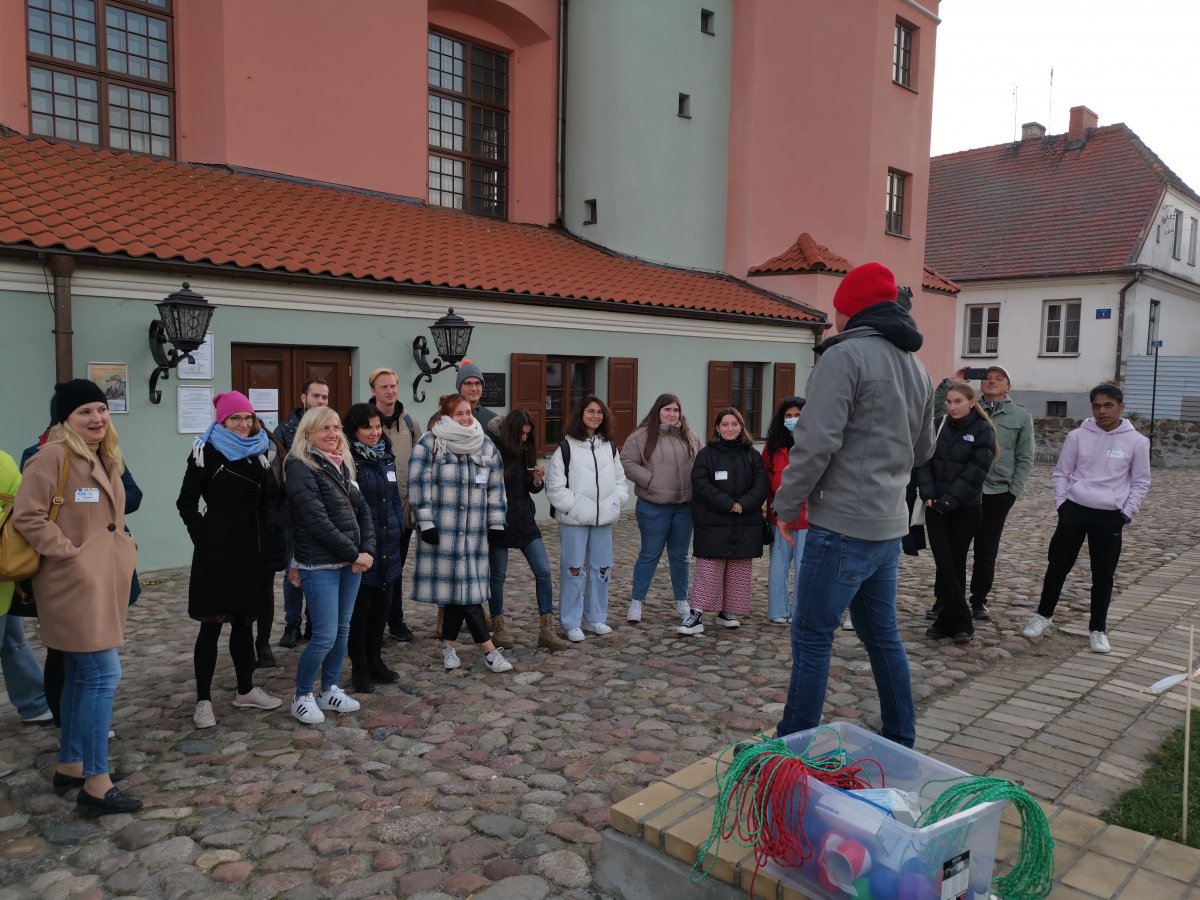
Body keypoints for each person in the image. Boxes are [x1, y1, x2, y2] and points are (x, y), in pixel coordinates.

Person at [772, 262, 935, 748]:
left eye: (837, 310)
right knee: (882, 635)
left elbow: (814, 444)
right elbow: (924, 450)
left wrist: (786, 506)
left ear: (850, 310)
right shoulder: (918, 367)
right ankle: (901, 737)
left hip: (842, 524)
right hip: (888, 523)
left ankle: (792, 744)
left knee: (812, 634)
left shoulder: (843, 358)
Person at [14, 379, 141, 814]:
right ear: (65, 418)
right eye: (85, 411)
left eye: (101, 409)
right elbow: (28, 515)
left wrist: (124, 546)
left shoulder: (106, 454)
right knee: (103, 675)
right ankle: (97, 782)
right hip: (70, 582)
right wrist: (72, 555)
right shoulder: (52, 455)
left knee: (82, 676)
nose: (97, 418)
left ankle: (72, 763)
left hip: (101, 579)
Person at [177, 391, 286, 729]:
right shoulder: (205, 452)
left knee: (243, 622)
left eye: (247, 418)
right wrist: (204, 536)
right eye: (235, 418)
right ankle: (203, 701)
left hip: (252, 550)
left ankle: (245, 689)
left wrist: (272, 539)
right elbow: (186, 503)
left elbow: (270, 501)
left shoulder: (259, 452)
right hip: (217, 551)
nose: (242, 424)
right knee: (210, 626)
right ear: (222, 421)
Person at [1023, 383, 1151, 653]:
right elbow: (1062, 472)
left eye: (1108, 406)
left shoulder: (1137, 442)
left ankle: (1097, 629)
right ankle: (1043, 616)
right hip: (1075, 510)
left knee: (1103, 574)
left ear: (1121, 407)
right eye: (1097, 406)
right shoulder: (1078, 436)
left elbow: (1140, 482)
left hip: (1110, 516)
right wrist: (1062, 504)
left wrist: (1126, 513)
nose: (1102, 411)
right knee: (1058, 565)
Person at [408, 394, 513, 672]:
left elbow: (496, 488)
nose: (466, 418)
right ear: (446, 415)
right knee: (468, 595)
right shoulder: (430, 444)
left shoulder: (485, 445)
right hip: (443, 534)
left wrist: (496, 523)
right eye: (460, 414)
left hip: (475, 535)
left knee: (461, 593)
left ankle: (449, 647)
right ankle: (489, 651)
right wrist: (425, 522)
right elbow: (418, 485)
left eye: (469, 413)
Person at [285, 406, 376, 723]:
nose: (332, 434)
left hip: (350, 563)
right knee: (324, 634)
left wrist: (367, 549)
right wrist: (355, 554)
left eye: (336, 428)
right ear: (308, 432)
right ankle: (302, 694)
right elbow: (316, 521)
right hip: (320, 563)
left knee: (341, 630)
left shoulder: (341, 464)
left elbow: (363, 510)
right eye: (324, 428)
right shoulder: (300, 466)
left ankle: (330, 688)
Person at [949, 365, 1035, 620]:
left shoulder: (1020, 415)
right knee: (954, 548)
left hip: (997, 492)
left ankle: (979, 599)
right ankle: (947, 599)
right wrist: (953, 382)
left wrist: (1013, 491)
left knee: (986, 550)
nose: (992, 381)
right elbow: (937, 416)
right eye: (987, 378)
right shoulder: (968, 408)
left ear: (1009, 387)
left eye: (999, 378)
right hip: (964, 489)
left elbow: (1025, 456)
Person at [918, 382, 998, 644]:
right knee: (944, 563)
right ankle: (958, 619)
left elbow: (976, 471)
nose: (952, 407)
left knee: (955, 562)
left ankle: (950, 621)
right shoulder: (938, 424)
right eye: (949, 402)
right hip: (935, 507)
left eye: (958, 402)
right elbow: (924, 461)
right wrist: (929, 494)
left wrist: (949, 500)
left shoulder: (983, 429)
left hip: (966, 509)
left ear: (972, 402)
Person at [545, 395, 628, 642]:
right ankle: (570, 621)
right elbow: (555, 488)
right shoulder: (566, 448)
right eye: (591, 411)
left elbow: (620, 480)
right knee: (573, 570)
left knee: (602, 569)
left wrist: (616, 502)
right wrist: (576, 507)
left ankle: (595, 617)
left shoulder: (609, 447)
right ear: (581, 414)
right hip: (574, 521)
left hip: (603, 520)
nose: (595, 416)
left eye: (600, 412)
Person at [679, 408, 769, 635]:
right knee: (709, 570)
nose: (730, 428)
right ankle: (696, 614)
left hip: (744, 522)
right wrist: (728, 503)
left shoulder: (752, 455)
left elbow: (761, 484)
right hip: (713, 521)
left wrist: (743, 504)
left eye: (734, 424)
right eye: (725, 424)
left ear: (741, 427)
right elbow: (701, 483)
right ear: (718, 428)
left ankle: (727, 611)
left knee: (738, 570)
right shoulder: (707, 455)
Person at [619, 393, 702, 625]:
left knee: (680, 557)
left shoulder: (691, 436)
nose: (672, 414)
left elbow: (702, 463)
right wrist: (649, 479)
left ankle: (682, 601)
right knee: (649, 555)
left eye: (676, 410)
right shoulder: (642, 435)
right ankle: (636, 602)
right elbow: (626, 461)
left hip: (684, 508)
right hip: (653, 507)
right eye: (667, 410)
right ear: (658, 411)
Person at [491, 408, 569, 651]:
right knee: (498, 576)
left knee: (544, 571)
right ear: (511, 431)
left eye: (528, 434)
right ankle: (498, 626)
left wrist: (536, 480)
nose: (525, 438)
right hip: (499, 521)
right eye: (521, 434)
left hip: (525, 519)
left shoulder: (527, 450)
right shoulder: (494, 449)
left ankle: (547, 628)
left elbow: (530, 488)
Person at [343, 403, 404, 693]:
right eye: (367, 427)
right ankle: (360, 668)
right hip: (364, 547)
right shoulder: (348, 461)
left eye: (378, 426)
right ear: (354, 430)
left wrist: (399, 525)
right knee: (361, 612)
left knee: (382, 608)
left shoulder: (385, 456)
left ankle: (376, 661)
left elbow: (394, 498)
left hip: (389, 544)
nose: (374, 432)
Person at [367, 367, 422, 643]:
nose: (390, 391)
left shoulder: (410, 424)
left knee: (396, 568)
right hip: (371, 511)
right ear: (374, 390)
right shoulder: (365, 421)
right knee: (371, 568)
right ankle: (370, 620)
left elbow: (421, 464)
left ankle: (395, 619)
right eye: (384, 387)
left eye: (393, 386)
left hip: (401, 510)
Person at [274, 378, 330, 648]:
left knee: (320, 568)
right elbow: (278, 474)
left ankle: (313, 622)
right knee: (293, 569)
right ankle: (292, 623)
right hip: (293, 512)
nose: (320, 401)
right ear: (303, 398)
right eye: (316, 396)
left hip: (324, 511)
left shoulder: (331, 428)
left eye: (324, 397)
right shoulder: (285, 431)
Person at [0, 450, 53, 726]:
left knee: (13, 640)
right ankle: (34, 703)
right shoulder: (3, 460)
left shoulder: (3, 461)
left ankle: (34, 703)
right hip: (5, 572)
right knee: (12, 640)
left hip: (4, 579)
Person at [762, 397, 809, 625]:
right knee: (778, 567)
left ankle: (800, 612)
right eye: (788, 416)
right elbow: (765, 476)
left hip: (808, 517)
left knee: (804, 567)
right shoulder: (772, 447)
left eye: (798, 415)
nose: (793, 419)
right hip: (779, 515)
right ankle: (777, 610)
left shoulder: (815, 444)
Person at [456, 361, 499, 431]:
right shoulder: (444, 417)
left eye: (477, 383)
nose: (474, 389)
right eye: (468, 383)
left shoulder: (494, 421)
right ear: (459, 387)